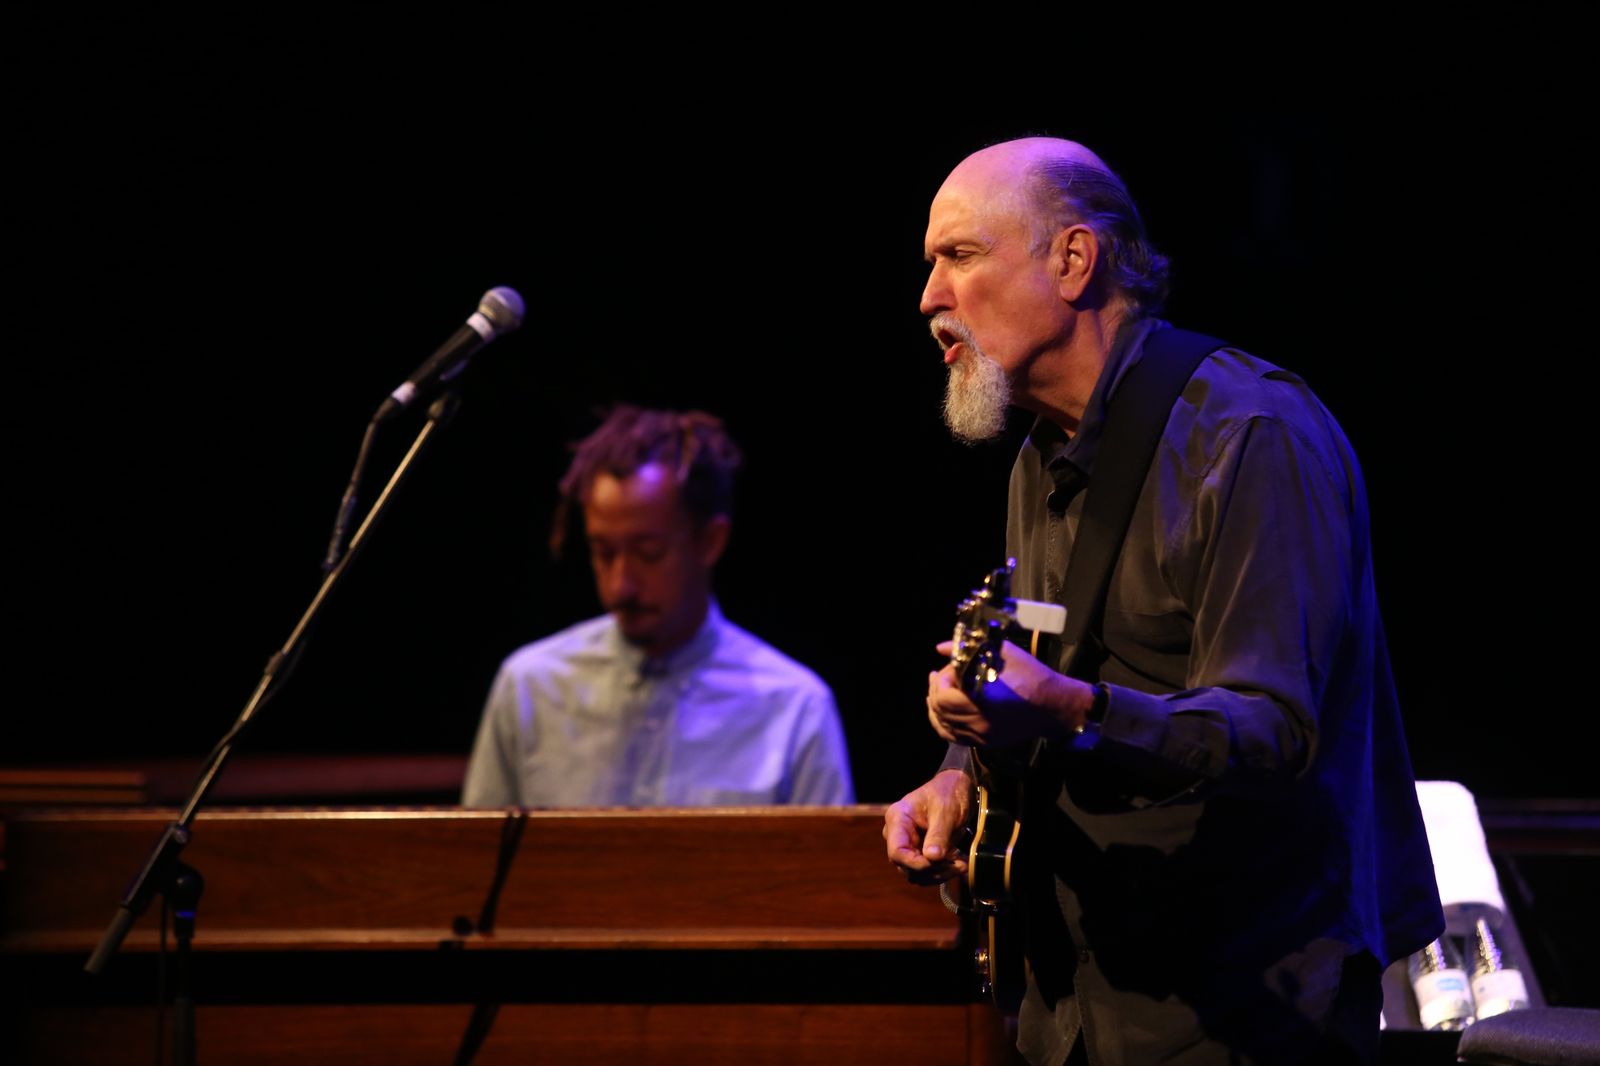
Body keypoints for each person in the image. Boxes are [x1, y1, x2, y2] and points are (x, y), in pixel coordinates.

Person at [883, 138, 1443, 1064]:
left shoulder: (1250, 433)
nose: (930, 297)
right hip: (1079, 1001)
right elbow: (1049, 660)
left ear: (1072, 260)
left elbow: (1271, 729)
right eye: (931, 265)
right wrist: (959, 768)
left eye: (961, 256)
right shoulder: (1040, 460)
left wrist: (1067, 710)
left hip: (1247, 1009)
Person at [463, 406, 854, 808]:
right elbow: (472, 863)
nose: (622, 585)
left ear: (710, 542)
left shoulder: (794, 706)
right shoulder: (529, 685)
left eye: (649, 553)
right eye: (603, 553)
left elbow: (826, 870)